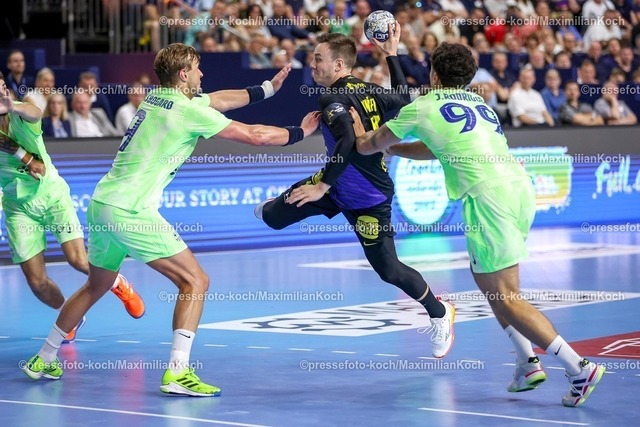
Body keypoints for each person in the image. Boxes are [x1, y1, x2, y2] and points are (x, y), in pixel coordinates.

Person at [21, 43, 320, 397]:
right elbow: (255, 136)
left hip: (102, 204)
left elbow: (218, 100)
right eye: (197, 68)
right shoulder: (186, 110)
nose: (202, 74)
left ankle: (44, 357)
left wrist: (267, 88)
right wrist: (301, 133)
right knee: (195, 281)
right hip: (131, 210)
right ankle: (178, 372)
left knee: (96, 285)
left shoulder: (156, 98)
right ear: (183, 74)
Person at [350, 42, 606, 408]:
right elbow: (435, 147)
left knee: (507, 295)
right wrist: (395, 149)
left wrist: (360, 131)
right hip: (518, 189)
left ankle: (578, 368)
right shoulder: (478, 102)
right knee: (488, 282)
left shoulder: (423, 105)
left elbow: (366, 145)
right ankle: (526, 363)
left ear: (433, 75)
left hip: (488, 199)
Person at [254, 29, 455, 358]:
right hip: (336, 184)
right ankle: (280, 205)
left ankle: (440, 312)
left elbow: (348, 141)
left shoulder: (332, 98)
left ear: (339, 65)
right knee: (273, 217)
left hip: (367, 198)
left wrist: (321, 186)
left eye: (318, 59)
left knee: (390, 271)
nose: (312, 64)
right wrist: (391, 54)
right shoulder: (370, 90)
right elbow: (402, 99)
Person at [0, 72, 145, 344]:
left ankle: (118, 284)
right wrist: (26, 158)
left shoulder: (22, 114)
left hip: (51, 195)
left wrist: (13, 106)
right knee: (37, 283)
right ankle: (70, 316)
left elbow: (35, 112)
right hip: (18, 207)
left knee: (78, 259)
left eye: (2, 89)